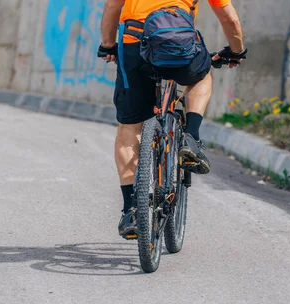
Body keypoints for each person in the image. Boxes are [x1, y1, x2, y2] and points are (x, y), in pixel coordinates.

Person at [98, 0, 247, 237]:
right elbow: (229, 17)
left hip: (134, 43)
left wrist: (107, 45)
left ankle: (131, 210)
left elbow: (112, 6)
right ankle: (191, 137)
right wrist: (236, 50)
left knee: (129, 128)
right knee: (202, 75)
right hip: (180, 42)